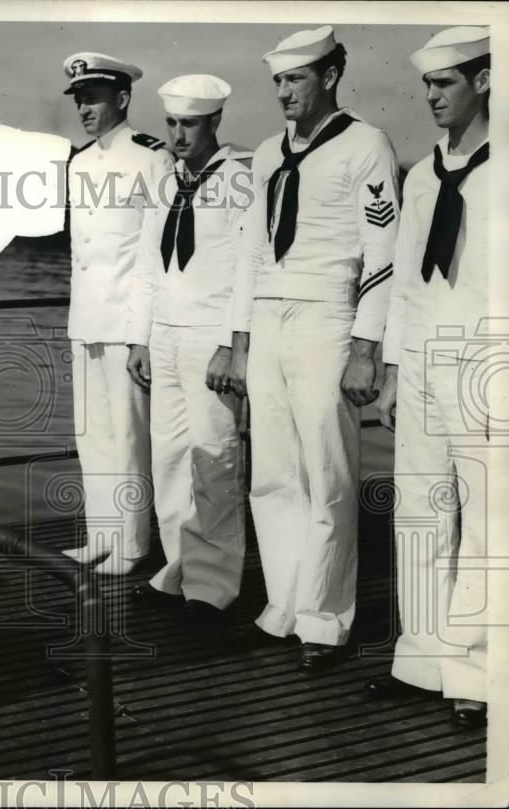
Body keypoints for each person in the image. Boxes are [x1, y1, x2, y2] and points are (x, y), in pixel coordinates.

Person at [230, 26, 400, 670]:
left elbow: (382, 253)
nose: (282, 93)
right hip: (269, 317)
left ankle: (326, 621)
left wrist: (367, 345)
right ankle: (283, 607)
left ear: (329, 76)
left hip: (328, 315)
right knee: (273, 473)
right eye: (277, 80)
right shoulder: (270, 151)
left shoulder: (366, 145)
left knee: (327, 472)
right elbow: (251, 248)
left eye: (295, 79)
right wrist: (239, 340)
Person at [366, 27, 491, 728]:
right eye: (426, 86)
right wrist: (391, 370)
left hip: (486, 363)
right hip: (420, 365)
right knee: (420, 511)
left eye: (444, 84)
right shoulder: (421, 177)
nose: (430, 98)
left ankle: (474, 673)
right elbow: (408, 284)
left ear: (484, 82)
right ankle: (421, 658)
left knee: (485, 524)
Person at [126, 75, 251, 622]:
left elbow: (249, 268)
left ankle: (214, 585)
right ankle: (177, 567)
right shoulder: (163, 182)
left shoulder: (242, 180)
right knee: (171, 457)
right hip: (166, 335)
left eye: (190, 124)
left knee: (215, 459)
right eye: (172, 123)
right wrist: (141, 338)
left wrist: (233, 344)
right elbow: (148, 269)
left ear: (215, 122)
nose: (178, 135)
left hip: (210, 337)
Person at [60, 52, 174, 576]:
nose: (84, 107)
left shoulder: (152, 158)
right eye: (79, 98)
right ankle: (99, 537)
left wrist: (140, 336)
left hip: (128, 319)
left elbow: (154, 254)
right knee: (92, 434)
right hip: (86, 317)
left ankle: (131, 545)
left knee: (129, 435)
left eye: (93, 97)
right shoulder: (79, 162)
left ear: (122, 99)